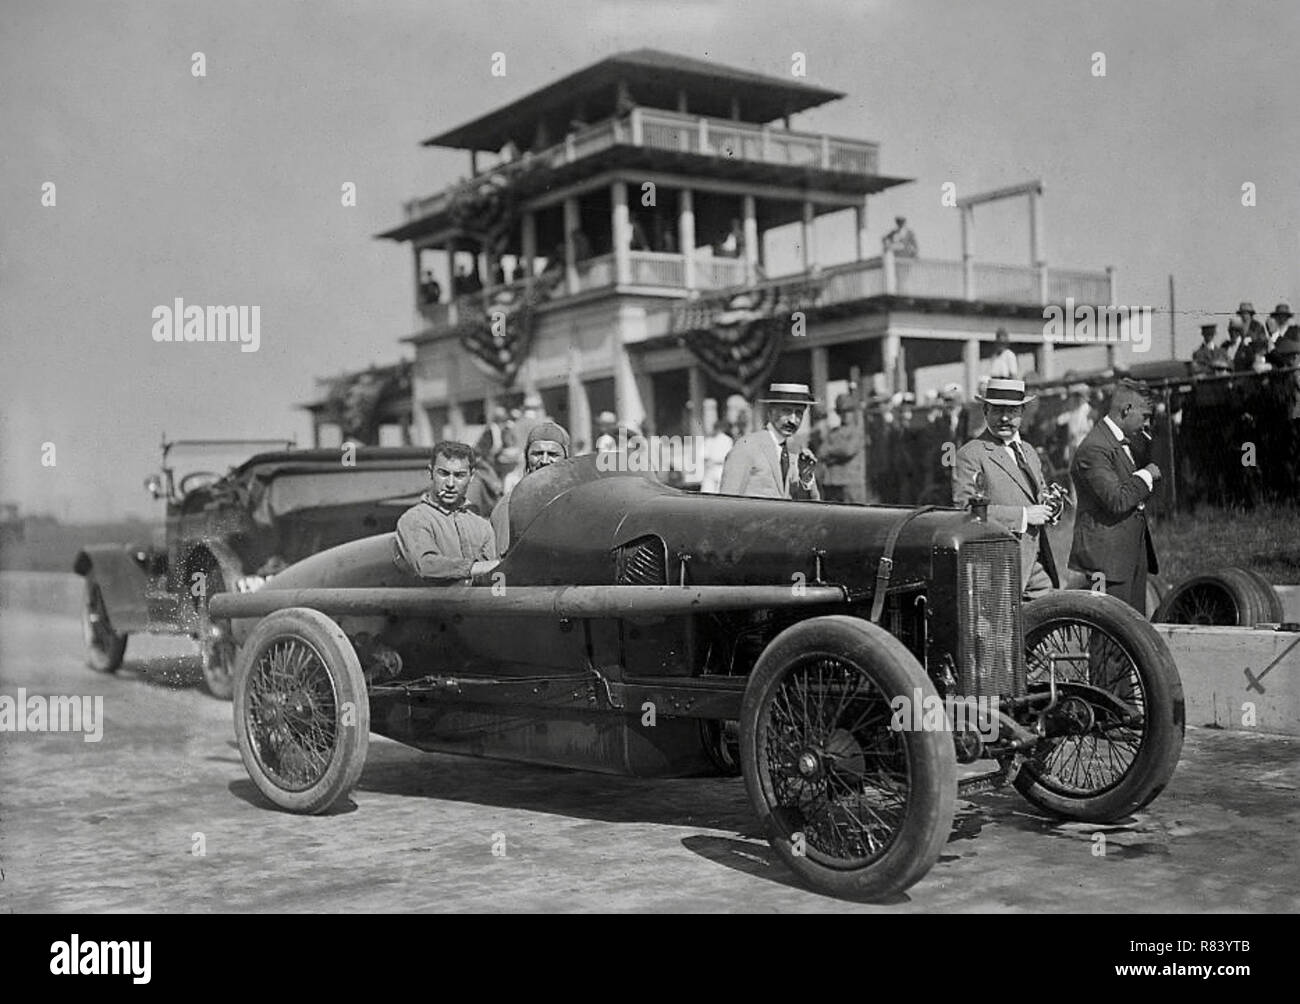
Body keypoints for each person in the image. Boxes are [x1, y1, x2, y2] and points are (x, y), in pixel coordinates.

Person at [951, 379, 1059, 599]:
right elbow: (965, 511)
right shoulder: (971, 454)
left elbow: (1039, 495)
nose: (1005, 418)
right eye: (997, 410)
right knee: (999, 629)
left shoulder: (1029, 451)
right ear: (985, 411)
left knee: (1051, 621)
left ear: (1022, 412)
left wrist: (1053, 506)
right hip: (998, 564)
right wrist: (1024, 515)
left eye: (1012, 411)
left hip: (1036, 562)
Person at [1067, 380, 1161, 612]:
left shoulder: (1126, 441)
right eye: (1145, 416)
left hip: (1128, 555)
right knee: (1108, 636)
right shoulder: (1094, 448)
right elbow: (1117, 500)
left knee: (1130, 635)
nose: (1147, 424)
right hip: (1107, 563)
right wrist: (1146, 476)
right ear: (1126, 410)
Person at [393, 442, 499, 583]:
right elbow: (427, 565)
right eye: (443, 474)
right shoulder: (415, 519)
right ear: (430, 473)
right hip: (432, 603)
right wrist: (474, 568)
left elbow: (494, 574)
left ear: (471, 476)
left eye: (459, 475)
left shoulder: (482, 527)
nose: (450, 483)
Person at [720, 383, 820, 500]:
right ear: (771, 411)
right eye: (786, 411)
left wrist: (806, 478)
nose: (793, 420)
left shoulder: (797, 453)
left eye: (799, 413)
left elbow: (809, 507)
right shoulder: (747, 446)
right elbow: (727, 501)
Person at [490, 421, 571, 554]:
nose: (544, 461)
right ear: (527, 458)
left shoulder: (576, 498)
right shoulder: (510, 505)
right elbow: (502, 560)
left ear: (566, 459)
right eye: (537, 454)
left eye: (553, 454)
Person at [819, 394, 868, 503]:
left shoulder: (857, 432)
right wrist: (837, 453)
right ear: (838, 413)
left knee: (854, 516)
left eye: (849, 411)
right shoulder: (833, 433)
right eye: (842, 411)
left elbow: (848, 450)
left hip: (851, 484)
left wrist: (831, 452)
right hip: (832, 483)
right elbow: (821, 452)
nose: (845, 414)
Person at [697, 421, 735, 494]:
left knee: (707, 495)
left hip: (713, 469)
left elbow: (704, 457)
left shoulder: (710, 439)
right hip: (720, 470)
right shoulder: (727, 440)